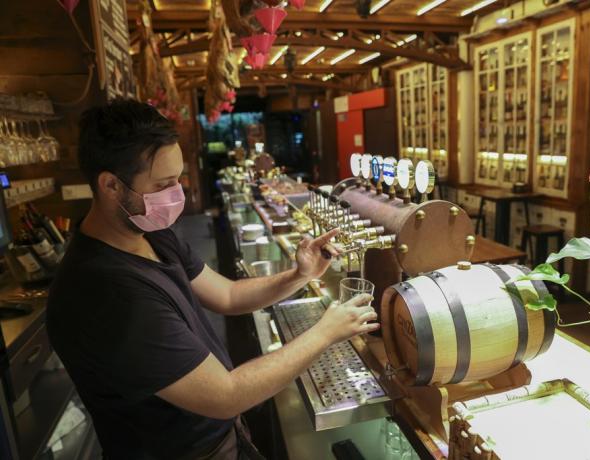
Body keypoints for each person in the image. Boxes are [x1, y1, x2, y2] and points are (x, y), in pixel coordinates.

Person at [46, 99, 378, 460]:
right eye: (164, 183)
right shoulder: (105, 292)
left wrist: (300, 275)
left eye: (179, 178)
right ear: (111, 185)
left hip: (225, 439)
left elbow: (229, 295)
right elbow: (226, 395)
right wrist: (326, 332)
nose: (180, 192)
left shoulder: (149, 232)